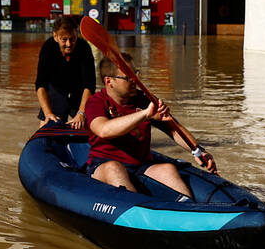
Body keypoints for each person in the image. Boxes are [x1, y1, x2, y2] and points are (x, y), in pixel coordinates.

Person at [84, 53, 216, 198]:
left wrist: (197, 150)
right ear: (109, 82)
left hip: (141, 165)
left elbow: (173, 129)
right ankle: (136, 211)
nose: (135, 80)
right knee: (114, 168)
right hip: (104, 164)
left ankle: (188, 211)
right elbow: (104, 130)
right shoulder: (96, 102)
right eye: (128, 77)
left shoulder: (144, 99)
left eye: (136, 73)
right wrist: (145, 114)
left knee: (168, 169)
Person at [35, 15, 96, 129]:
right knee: (47, 124)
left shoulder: (84, 48)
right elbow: (40, 84)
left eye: (72, 39)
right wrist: (48, 113)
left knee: (85, 125)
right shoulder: (48, 48)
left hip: (79, 90)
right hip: (56, 89)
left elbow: (90, 85)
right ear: (55, 37)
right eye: (64, 40)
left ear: (77, 35)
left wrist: (81, 113)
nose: (68, 44)